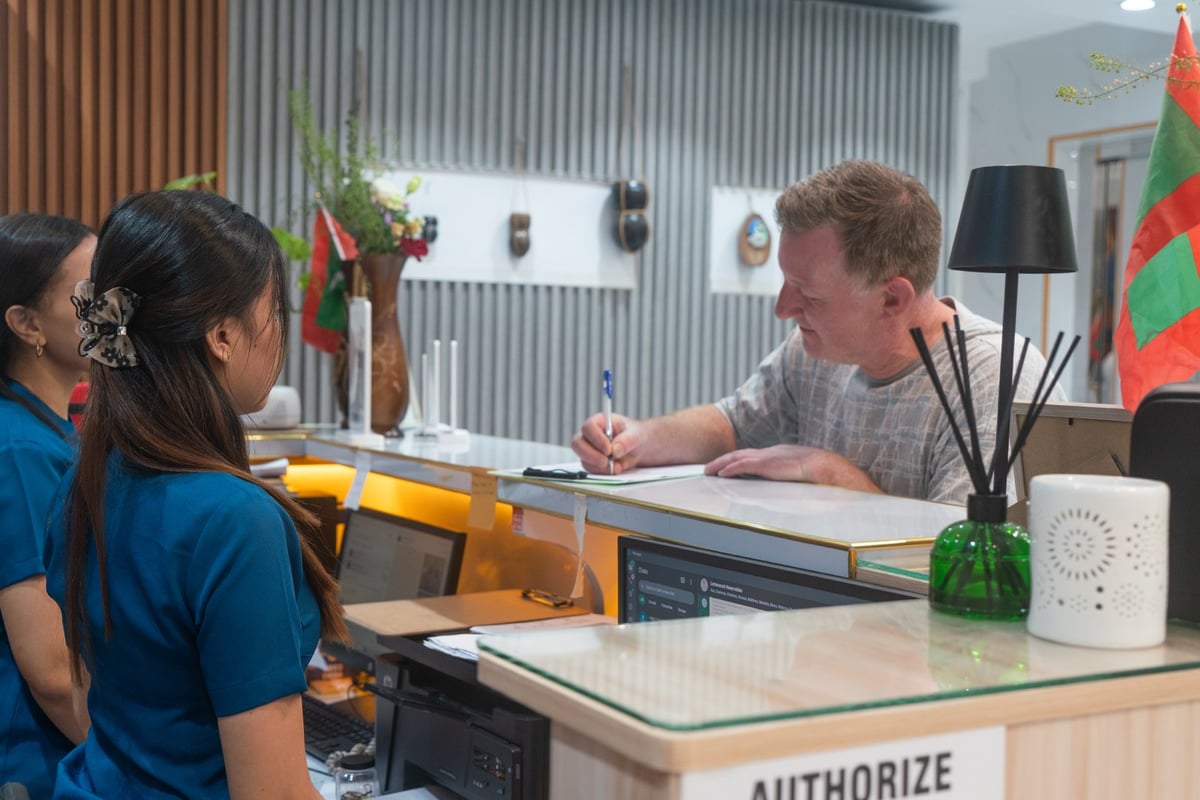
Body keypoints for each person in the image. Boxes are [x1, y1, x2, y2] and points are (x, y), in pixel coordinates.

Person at [44, 190, 348, 798]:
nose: (279, 333)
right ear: (223, 335)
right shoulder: (237, 522)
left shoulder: (87, 479)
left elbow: (94, 700)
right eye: (275, 309)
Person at [573, 160, 1063, 504]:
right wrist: (642, 438)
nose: (784, 309)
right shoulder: (813, 353)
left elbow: (970, 563)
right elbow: (733, 425)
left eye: (809, 295)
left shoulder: (994, 379)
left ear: (892, 298)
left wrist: (830, 473)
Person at [0, 214, 95, 796]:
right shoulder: (20, 451)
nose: (112, 309)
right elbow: (53, 673)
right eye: (89, 295)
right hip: (34, 762)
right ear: (26, 322)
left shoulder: (51, 432)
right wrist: (133, 763)